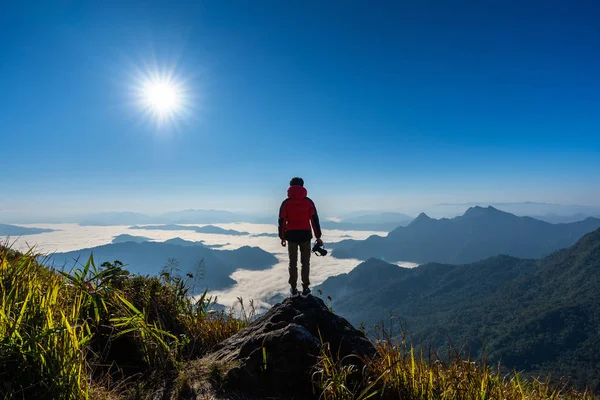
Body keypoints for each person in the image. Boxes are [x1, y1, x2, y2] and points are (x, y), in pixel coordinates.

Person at [278, 177, 323, 296]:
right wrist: (318, 236)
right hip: (305, 236)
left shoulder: (286, 203)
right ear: (303, 186)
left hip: (291, 236)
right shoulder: (308, 202)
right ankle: (306, 289)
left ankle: (293, 288)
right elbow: (314, 219)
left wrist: (282, 237)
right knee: (305, 263)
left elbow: (282, 221)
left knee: (292, 263)